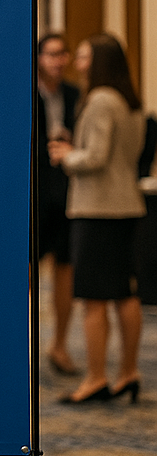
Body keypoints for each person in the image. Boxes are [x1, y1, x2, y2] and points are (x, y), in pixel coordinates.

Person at [49, 33, 145, 404]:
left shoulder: (102, 100)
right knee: (124, 292)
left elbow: (96, 157)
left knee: (92, 299)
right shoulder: (130, 100)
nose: (78, 61)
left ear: (101, 61)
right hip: (126, 205)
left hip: (97, 208)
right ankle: (128, 371)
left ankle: (96, 377)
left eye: (85, 55)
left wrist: (66, 155)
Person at [36, 34, 79, 375]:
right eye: (51, 54)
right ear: (38, 58)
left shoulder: (77, 95)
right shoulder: (22, 91)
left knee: (66, 270)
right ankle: (21, 346)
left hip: (67, 194)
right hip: (32, 195)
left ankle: (60, 344)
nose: (58, 60)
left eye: (63, 53)